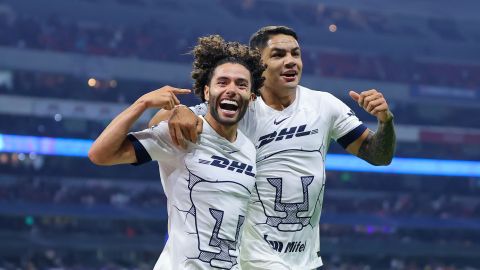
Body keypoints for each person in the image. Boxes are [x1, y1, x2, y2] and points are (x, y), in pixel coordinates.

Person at [150, 26, 396, 269]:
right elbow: (158, 123)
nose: (291, 62)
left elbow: (379, 156)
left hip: (304, 259)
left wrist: (385, 120)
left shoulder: (325, 106)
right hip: (252, 258)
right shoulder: (240, 107)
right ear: (259, 64)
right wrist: (178, 111)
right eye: (278, 55)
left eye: (295, 54)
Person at [88, 35, 265, 270]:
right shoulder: (182, 133)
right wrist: (140, 104)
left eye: (241, 84)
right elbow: (100, 154)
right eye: (223, 82)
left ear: (251, 98)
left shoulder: (249, 149)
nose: (232, 89)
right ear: (206, 92)